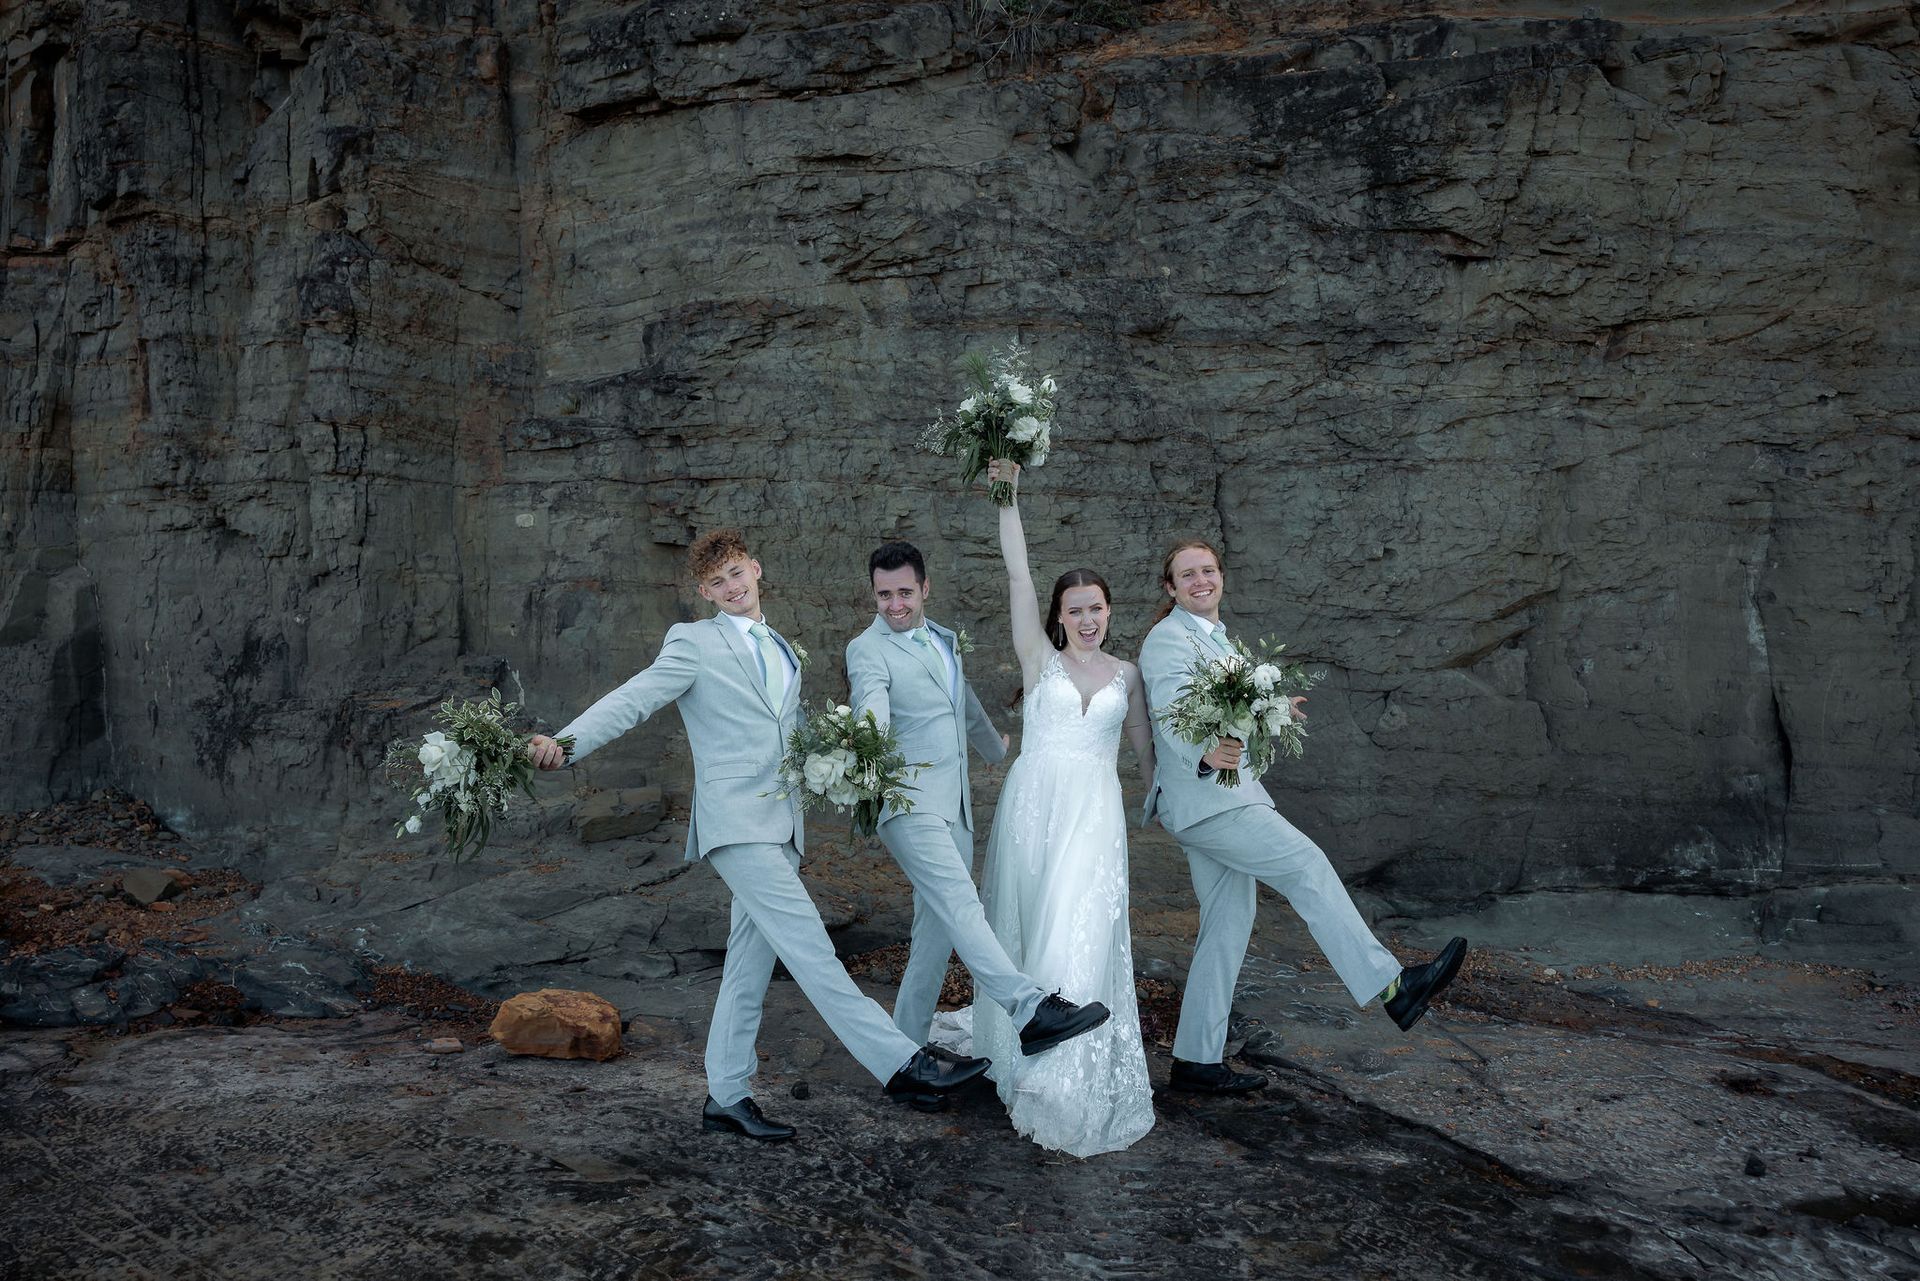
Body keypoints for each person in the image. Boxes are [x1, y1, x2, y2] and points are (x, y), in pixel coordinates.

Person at [526, 529, 990, 1143]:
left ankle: (726, 1095)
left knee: (748, 964)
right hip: (735, 824)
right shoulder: (693, 643)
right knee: (812, 950)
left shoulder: (782, 648)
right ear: (704, 592)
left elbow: (792, 737)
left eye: (738, 573)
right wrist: (567, 743)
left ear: (756, 570)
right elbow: (634, 699)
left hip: (781, 828)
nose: (732, 587)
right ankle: (901, 1063)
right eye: (717, 582)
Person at [1140, 537, 1468, 1095]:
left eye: (1208, 570)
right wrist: (1202, 750)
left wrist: (1273, 710)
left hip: (1218, 799)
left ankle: (1196, 1060)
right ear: (1170, 588)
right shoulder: (1167, 641)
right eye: (1187, 574)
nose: (1201, 581)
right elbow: (1173, 713)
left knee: (1225, 927)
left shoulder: (1218, 639)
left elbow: (1232, 709)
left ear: (1221, 577)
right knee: (1307, 867)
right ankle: (1393, 986)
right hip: (1212, 802)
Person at [847, 541, 1112, 1110]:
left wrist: (995, 749)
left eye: (904, 592)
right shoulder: (866, 651)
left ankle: (906, 1058)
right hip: (907, 803)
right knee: (965, 906)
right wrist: (869, 740)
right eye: (883, 594)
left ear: (924, 589)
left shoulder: (941, 638)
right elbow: (872, 705)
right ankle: (1029, 1010)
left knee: (935, 937)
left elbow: (961, 701)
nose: (894, 604)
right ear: (874, 594)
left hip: (954, 807)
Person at [960, 459, 1156, 1157]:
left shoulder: (1129, 675)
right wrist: (1006, 498)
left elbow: (1142, 749)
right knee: (1029, 922)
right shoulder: (1037, 658)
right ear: (1060, 616)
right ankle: (1018, 1046)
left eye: (1097, 607)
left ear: (1110, 611)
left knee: (1077, 926)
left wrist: (1165, 791)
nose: (1087, 618)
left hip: (1094, 811)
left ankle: (1059, 1078)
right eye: (1075, 609)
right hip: (1031, 806)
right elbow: (1018, 574)